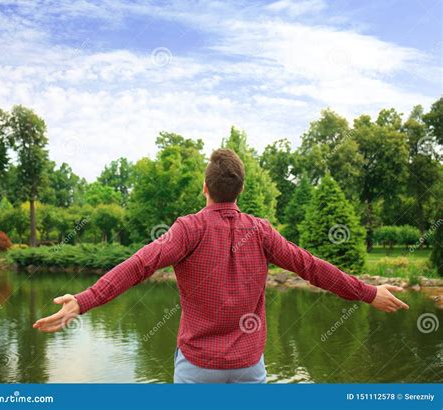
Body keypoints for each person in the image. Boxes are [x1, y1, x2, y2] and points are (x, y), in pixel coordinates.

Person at [33, 148, 409, 383]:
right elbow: (310, 266)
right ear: (240, 189)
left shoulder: (188, 229)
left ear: (205, 188)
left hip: (198, 368)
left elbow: (138, 265)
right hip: (249, 368)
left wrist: (83, 300)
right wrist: (369, 292)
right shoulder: (261, 232)